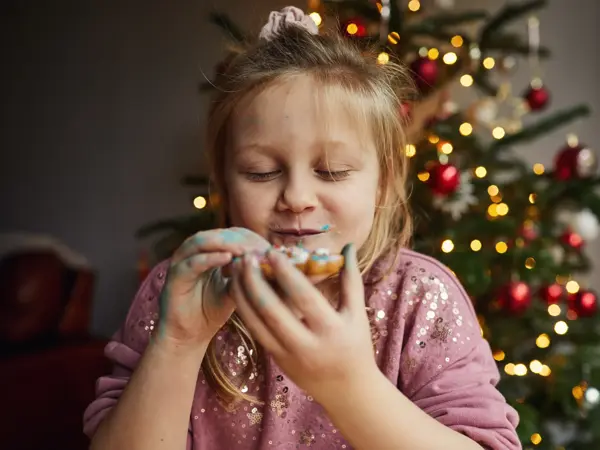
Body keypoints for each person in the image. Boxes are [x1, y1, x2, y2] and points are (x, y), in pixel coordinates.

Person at [84, 6, 521, 450]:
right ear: (225, 183)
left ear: (383, 184)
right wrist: (177, 341)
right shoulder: (176, 291)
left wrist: (348, 386)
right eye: (259, 171)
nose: (296, 198)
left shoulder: (421, 297)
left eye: (331, 172)